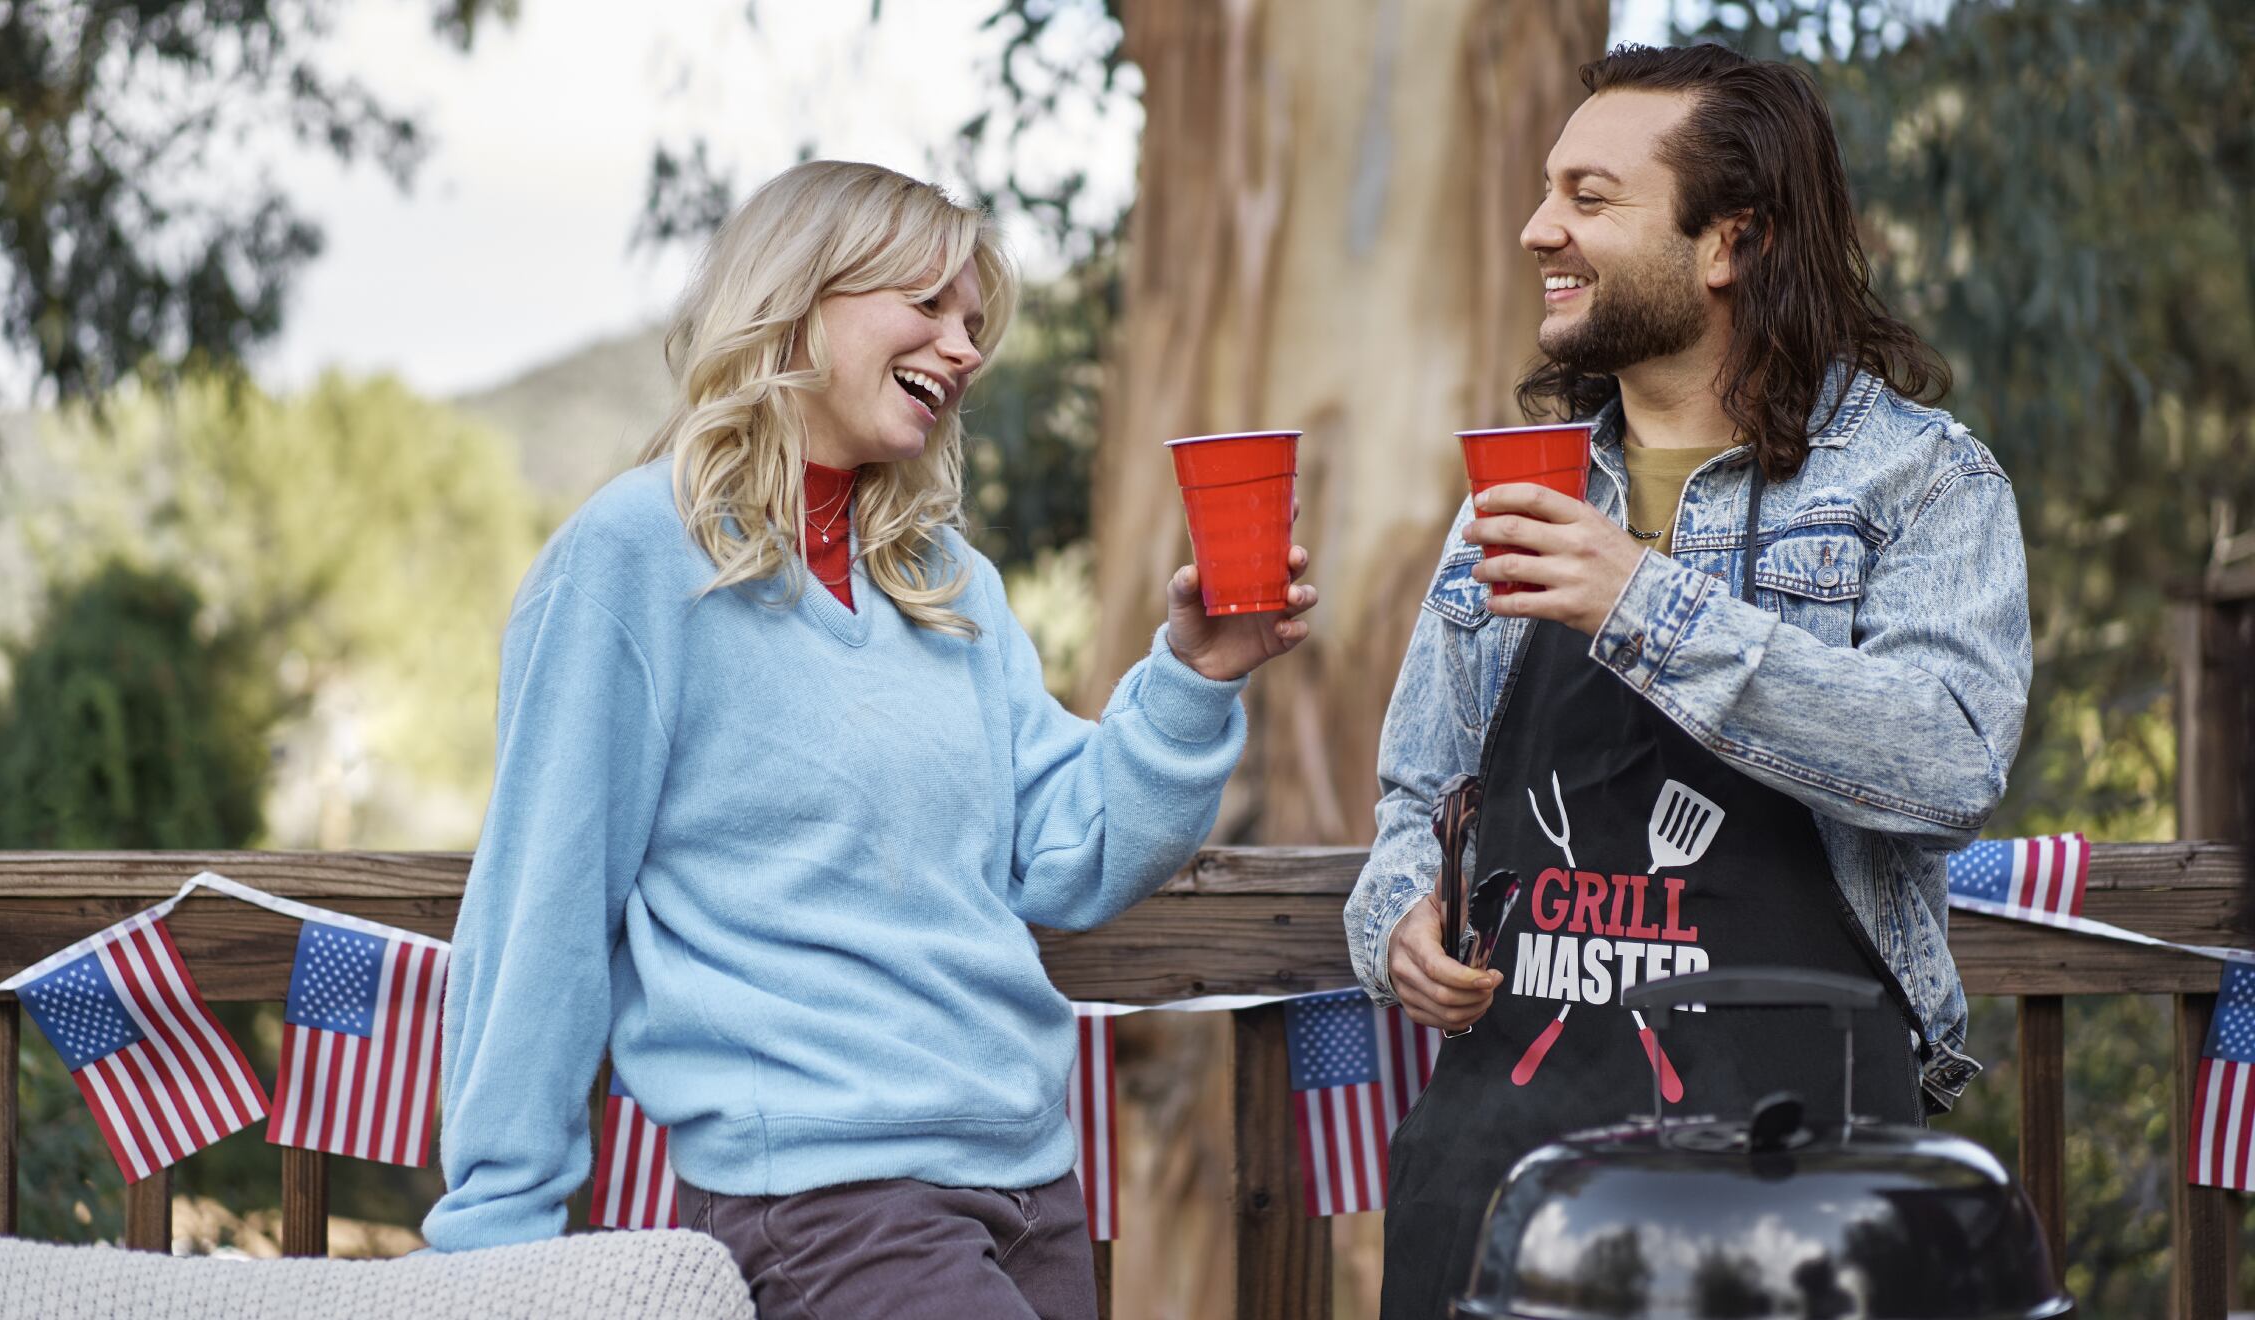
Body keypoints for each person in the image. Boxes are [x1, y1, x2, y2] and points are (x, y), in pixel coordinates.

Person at [422, 160, 1318, 1320]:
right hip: (824, 1204)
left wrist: (1195, 676)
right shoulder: (631, 556)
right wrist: (496, 1238)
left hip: (1032, 1184)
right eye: (928, 304)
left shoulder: (946, 580)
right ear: (798, 297)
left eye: (974, 323)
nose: (963, 347)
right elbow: (541, 908)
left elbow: (1070, 850)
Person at [1341, 43, 2032, 1318]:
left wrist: (1640, 602)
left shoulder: (1919, 481)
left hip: (1796, 1186)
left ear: (1729, 241)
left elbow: (1947, 763)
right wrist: (1395, 922)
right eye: (1547, 190)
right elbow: (1417, 798)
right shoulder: (1518, 488)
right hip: (1507, 1183)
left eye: (1589, 197)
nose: (1537, 227)